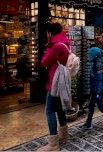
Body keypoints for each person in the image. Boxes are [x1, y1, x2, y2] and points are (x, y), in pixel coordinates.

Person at [38, 23, 70, 151]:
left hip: (54, 81)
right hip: (61, 79)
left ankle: (53, 144)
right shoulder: (65, 42)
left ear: (50, 33)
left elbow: (43, 62)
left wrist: (48, 46)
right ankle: (64, 134)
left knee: (49, 110)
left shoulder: (56, 46)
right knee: (59, 108)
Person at [81, 47, 103, 130]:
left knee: (100, 105)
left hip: (98, 89)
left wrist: (99, 93)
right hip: (95, 88)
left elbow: (101, 80)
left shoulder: (99, 65)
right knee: (91, 105)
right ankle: (88, 123)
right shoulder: (95, 62)